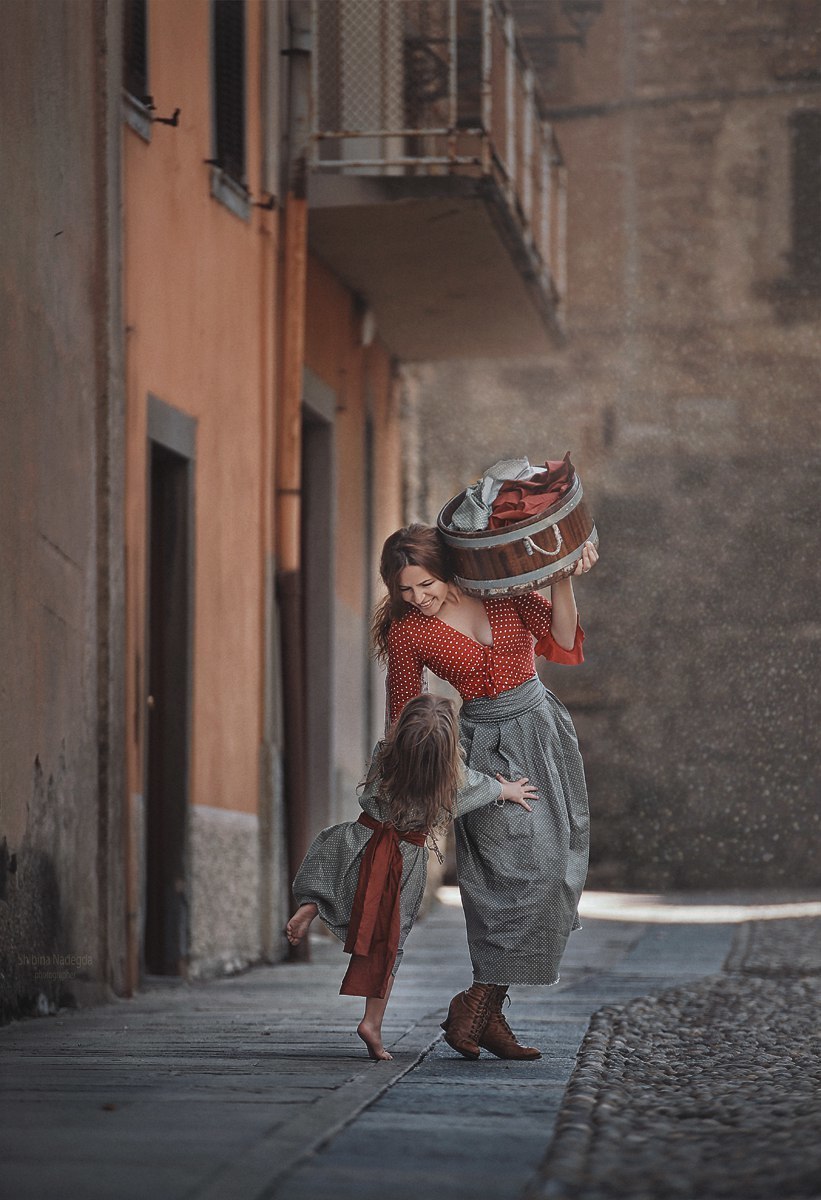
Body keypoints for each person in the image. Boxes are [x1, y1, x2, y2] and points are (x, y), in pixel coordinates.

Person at [372, 524, 598, 1061]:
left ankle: (484, 1012)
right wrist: (409, 794)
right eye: (404, 591)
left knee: (559, 871)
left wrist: (563, 577)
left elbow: (564, 640)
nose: (416, 599)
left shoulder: (500, 589)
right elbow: (403, 715)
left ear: (445, 569)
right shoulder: (408, 633)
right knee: (520, 875)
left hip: (543, 731)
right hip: (486, 750)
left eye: (423, 584)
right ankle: (475, 1007)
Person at [286, 693, 537, 1061]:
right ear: (449, 751)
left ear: (401, 732)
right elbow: (482, 788)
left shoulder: (384, 755)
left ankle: (311, 903)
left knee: (330, 869)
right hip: (402, 862)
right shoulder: (450, 779)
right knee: (389, 941)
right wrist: (510, 789)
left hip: (361, 837)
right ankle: (371, 1022)